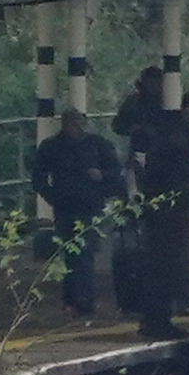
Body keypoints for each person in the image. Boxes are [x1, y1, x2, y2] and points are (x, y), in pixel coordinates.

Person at [115, 66, 189, 329]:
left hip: (163, 199)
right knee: (164, 259)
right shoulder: (174, 134)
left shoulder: (173, 125)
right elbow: (120, 126)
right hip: (167, 202)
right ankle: (160, 314)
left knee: (165, 258)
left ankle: (164, 310)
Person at [31, 102, 124, 321]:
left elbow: (115, 171)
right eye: (72, 123)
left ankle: (82, 299)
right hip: (66, 205)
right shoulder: (52, 147)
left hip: (89, 204)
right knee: (72, 252)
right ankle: (76, 298)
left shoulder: (97, 145)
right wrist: (52, 196)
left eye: (79, 123)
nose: (76, 127)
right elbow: (39, 177)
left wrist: (101, 176)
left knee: (85, 252)